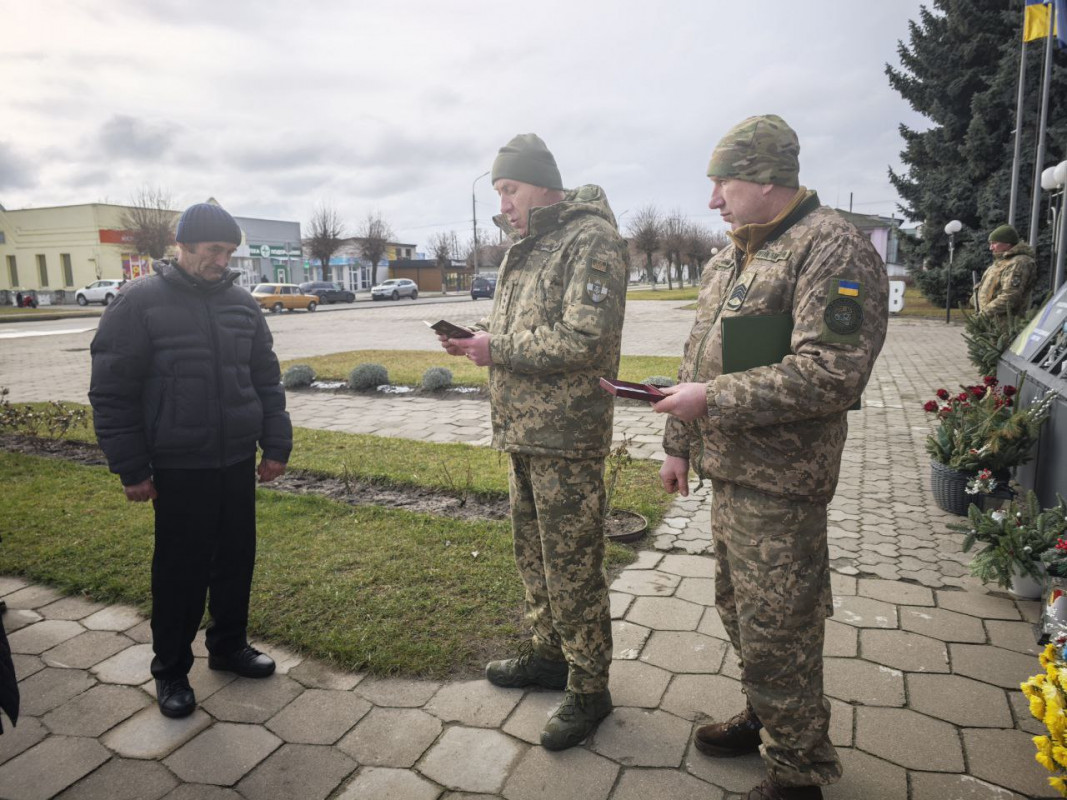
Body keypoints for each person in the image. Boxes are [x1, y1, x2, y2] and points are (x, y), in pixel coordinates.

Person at [654, 115, 888, 800]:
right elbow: (699, 353)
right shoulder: (737, 252)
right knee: (740, 608)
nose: (711, 200)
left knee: (780, 624)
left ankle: (797, 772)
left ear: (763, 179)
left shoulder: (832, 248)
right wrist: (678, 444)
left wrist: (712, 403)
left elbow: (832, 371)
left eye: (720, 182)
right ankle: (767, 715)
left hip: (782, 481)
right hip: (729, 470)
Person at [437, 133, 628, 750]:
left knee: (573, 566)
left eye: (509, 187)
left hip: (567, 437)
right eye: (497, 190)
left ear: (545, 182)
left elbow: (584, 340)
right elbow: (524, 327)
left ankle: (590, 686)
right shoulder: (531, 244)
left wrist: (499, 348)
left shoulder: (589, 240)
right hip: (524, 430)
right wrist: (481, 338)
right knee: (534, 556)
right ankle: (550, 656)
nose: (504, 201)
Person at [89, 202, 292, 719]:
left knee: (234, 560)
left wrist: (276, 444)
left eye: (229, 251)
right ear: (183, 246)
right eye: (213, 250)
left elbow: (266, 380)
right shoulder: (138, 302)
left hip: (234, 461)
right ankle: (171, 671)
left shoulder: (243, 304)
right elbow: (112, 391)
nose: (222, 260)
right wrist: (131, 467)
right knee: (180, 573)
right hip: (178, 466)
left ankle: (228, 647)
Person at [975, 224, 1036, 318]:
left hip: (1006, 324)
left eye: (994, 243)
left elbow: (1010, 296)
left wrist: (983, 314)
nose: (991, 248)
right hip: (991, 321)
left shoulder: (1019, 262)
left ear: (1007, 243)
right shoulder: (1001, 262)